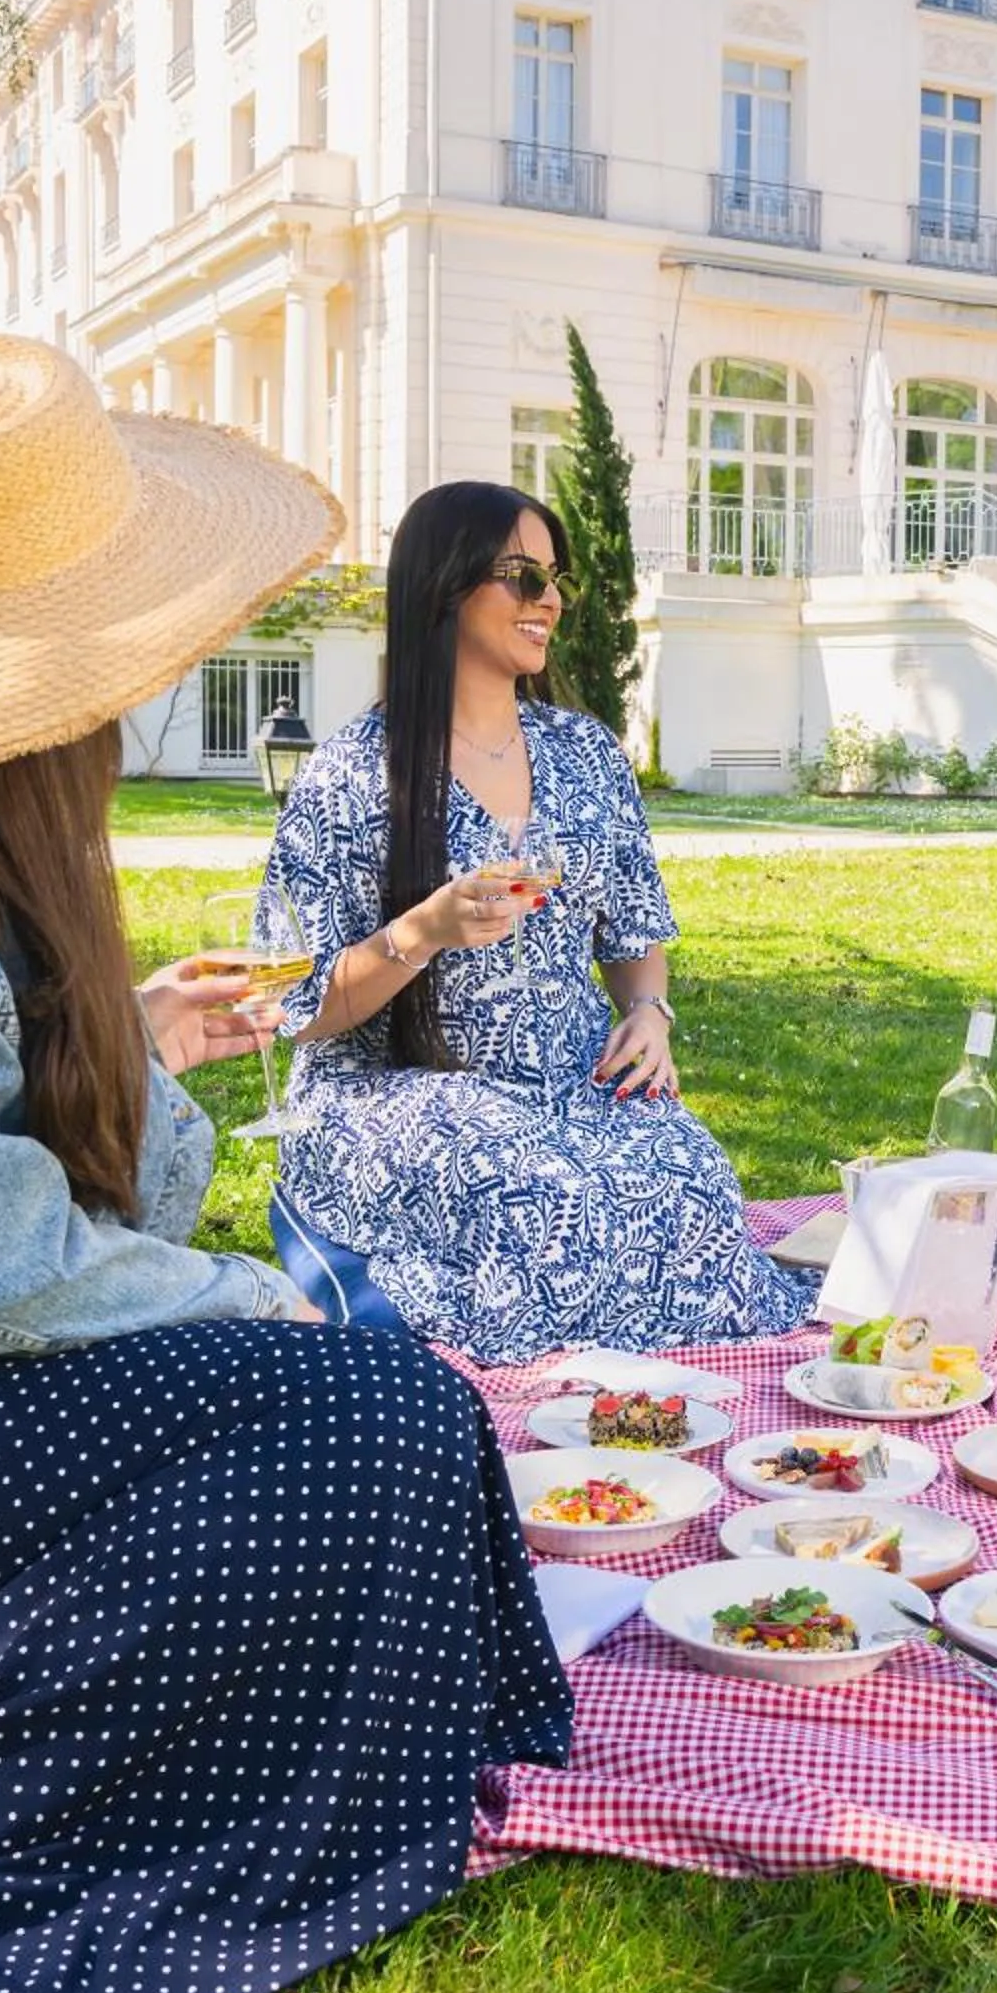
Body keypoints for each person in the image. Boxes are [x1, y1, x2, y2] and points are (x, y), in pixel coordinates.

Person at [0, 337, 570, 1993]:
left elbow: (32, 1191)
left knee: (390, 1395)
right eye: (522, 576)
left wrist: (141, 1052)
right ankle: (0, 1857)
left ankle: (330, 1750)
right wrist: (256, 1299)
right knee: (376, 1409)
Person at [266, 481, 813, 1359]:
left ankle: (661, 1392)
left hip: (572, 1074)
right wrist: (423, 932)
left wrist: (649, 1012)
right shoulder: (354, 774)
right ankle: (529, 1401)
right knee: (540, 1199)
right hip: (400, 1087)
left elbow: (635, 932)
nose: (549, 600)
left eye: (556, 579)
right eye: (522, 576)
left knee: (688, 1177)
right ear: (445, 585)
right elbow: (300, 1005)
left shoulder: (584, 751)